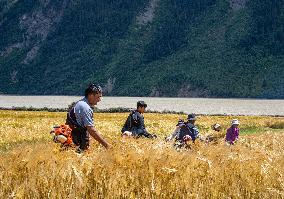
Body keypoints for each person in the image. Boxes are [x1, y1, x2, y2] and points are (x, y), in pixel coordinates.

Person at [66, 83, 111, 153]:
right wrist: (106, 145)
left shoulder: (80, 103)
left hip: (71, 138)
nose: (99, 100)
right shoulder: (85, 107)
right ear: (91, 95)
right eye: (98, 97)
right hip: (76, 141)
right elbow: (91, 130)